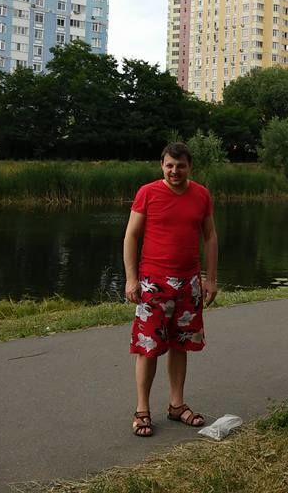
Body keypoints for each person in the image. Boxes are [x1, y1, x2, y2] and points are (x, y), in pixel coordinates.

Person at [123, 142, 219, 437]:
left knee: (181, 345)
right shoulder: (147, 193)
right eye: (169, 165)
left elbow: (210, 236)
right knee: (148, 348)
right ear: (161, 166)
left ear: (190, 167)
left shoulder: (201, 194)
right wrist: (131, 279)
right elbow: (131, 236)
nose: (175, 171)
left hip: (189, 282)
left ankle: (176, 405)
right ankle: (142, 410)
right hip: (153, 282)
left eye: (181, 166)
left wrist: (210, 277)